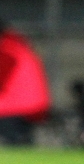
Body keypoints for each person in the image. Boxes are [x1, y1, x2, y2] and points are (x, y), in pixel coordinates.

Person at [0, 17, 51, 145]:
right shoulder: (18, 46)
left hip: (16, 106)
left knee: (14, 143)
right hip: (27, 104)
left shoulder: (9, 51)